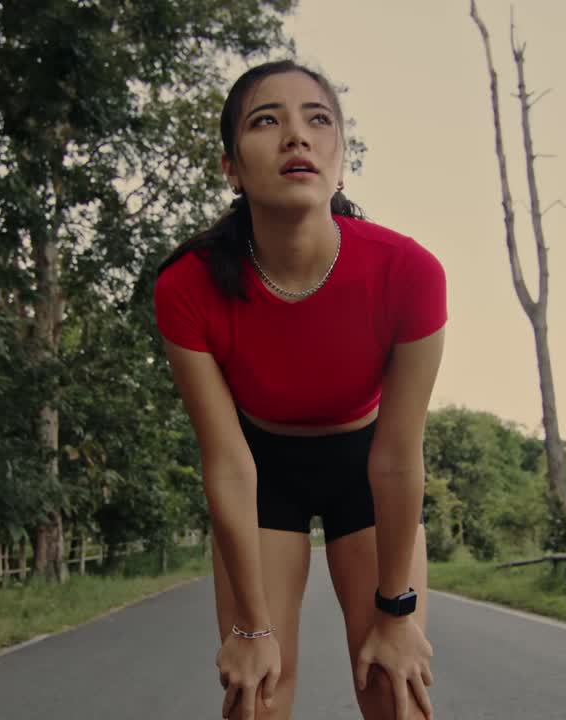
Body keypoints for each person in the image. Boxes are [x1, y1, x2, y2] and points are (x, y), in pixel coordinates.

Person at [153, 59, 446, 720]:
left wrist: (396, 613)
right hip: (262, 471)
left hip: (367, 469)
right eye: (266, 120)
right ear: (231, 166)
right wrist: (252, 632)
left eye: (318, 119)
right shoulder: (187, 287)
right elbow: (227, 464)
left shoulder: (409, 272)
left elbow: (398, 456)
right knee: (255, 696)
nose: (296, 136)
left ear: (341, 156)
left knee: (393, 689)